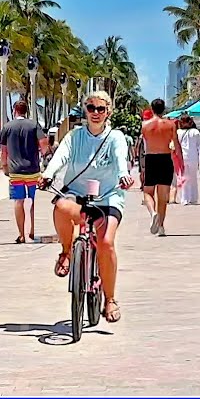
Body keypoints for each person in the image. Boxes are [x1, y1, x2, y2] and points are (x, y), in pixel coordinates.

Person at [40, 90, 134, 323]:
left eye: (100, 109)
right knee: (60, 206)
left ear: (108, 112)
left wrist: (124, 176)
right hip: (78, 194)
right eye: (90, 108)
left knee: (106, 243)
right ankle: (66, 252)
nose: (95, 113)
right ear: (85, 110)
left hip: (108, 196)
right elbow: (60, 155)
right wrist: (48, 174)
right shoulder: (74, 136)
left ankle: (110, 299)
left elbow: (121, 159)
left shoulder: (116, 137)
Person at [0, 99, 49, 243]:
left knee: (18, 201)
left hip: (15, 171)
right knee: (30, 201)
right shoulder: (33, 125)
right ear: (26, 111)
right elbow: (43, 143)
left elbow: (3, 151)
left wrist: (4, 166)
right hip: (32, 170)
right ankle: (30, 232)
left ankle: (21, 234)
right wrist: (44, 157)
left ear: (14, 110)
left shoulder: (7, 127)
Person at [140, 99, 182, 237]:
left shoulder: (145, 125)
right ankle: (161, 227)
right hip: (165, 158)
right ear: (164, 109)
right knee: (163, 196)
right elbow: (176, 143)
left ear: (152, 109)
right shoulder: (170, 125)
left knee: (148, 192)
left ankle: (153, 213)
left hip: (151, 158)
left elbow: (145, 143)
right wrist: (180, 161)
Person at [176, 116, 200, 205]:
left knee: (184, 178)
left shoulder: (178, 132)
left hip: (182, 158)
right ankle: (193, 198)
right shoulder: (195, 132)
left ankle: (185, 199)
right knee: (193, 178)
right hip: (193, 157)